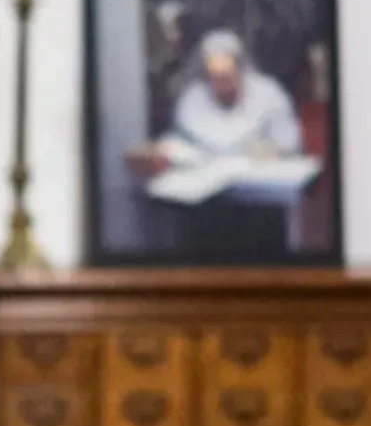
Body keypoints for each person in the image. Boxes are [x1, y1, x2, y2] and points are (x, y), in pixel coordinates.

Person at [125, 28, 309, 262]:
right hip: (204, 208)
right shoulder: (192, 99)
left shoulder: (269, 95)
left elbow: (290, 141)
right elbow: (181, 141)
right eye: (215, 77)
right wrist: (164, 152)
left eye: (227, 76)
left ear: (240, 69)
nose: (221, 85)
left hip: (259, 209)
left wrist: (272, 150)